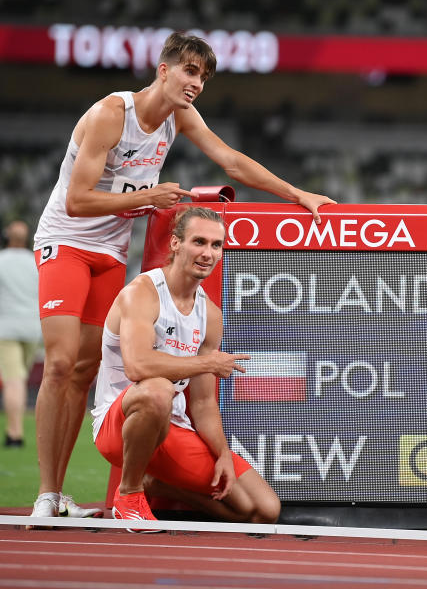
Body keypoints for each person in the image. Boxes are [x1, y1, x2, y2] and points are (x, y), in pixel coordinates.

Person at [29, 31, 335, 520]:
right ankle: (49, 493)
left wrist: (299, 195)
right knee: (63, 364)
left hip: (110, 251)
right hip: (67, 241)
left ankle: (75, 494)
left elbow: (232, 161)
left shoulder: (179, 117)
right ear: (164, 69)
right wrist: (146, 198)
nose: (196, 84)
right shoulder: (113, 113)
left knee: (87, 369)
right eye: (190, 72)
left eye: (204, 78)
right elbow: (77, 200)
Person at [91, 206, 279, 529]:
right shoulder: (143, 292)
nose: (208, 253)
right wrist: (207, 362)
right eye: (199, 242)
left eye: (216, 245)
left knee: (263, 509)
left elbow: (203, 403)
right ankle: (130, 493)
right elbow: (138, 367)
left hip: (173, 429)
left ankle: (158, 485)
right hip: (119, 426)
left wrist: (222, 453)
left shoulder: (210, 315)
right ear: (175, 244)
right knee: (158, 389)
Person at [0, 221, 42, 448]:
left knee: (13, 380)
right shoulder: (34, 261)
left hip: (6, 327)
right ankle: (15, 429)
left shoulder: (1, 260)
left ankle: (14, 433)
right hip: (32, 328)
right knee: (20, 378)